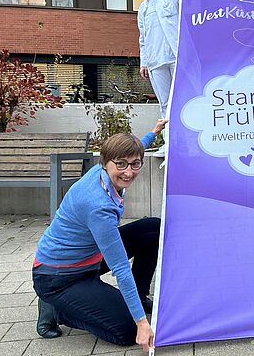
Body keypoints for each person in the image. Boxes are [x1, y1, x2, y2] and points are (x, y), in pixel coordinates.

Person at [32, 119, 167, 353]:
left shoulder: (103, 170)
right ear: (105, 163)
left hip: (88, 257)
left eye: (136, 165)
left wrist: (153, 132)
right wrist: (141, 323)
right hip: (59, 277)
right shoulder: (98, 206)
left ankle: (139, 296)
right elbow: (120, 268)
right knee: (126, 331)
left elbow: (134, 150)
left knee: (152, 229)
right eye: (122, 165)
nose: (129, 172)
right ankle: (57, 308)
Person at [137, 0, 180, 158]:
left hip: (175, 56)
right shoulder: (143, 8)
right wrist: (143, 62)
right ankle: (169, 144)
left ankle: (184, 144)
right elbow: (143, 38)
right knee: (165, 104)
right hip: (155, 62)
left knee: (181, 100)